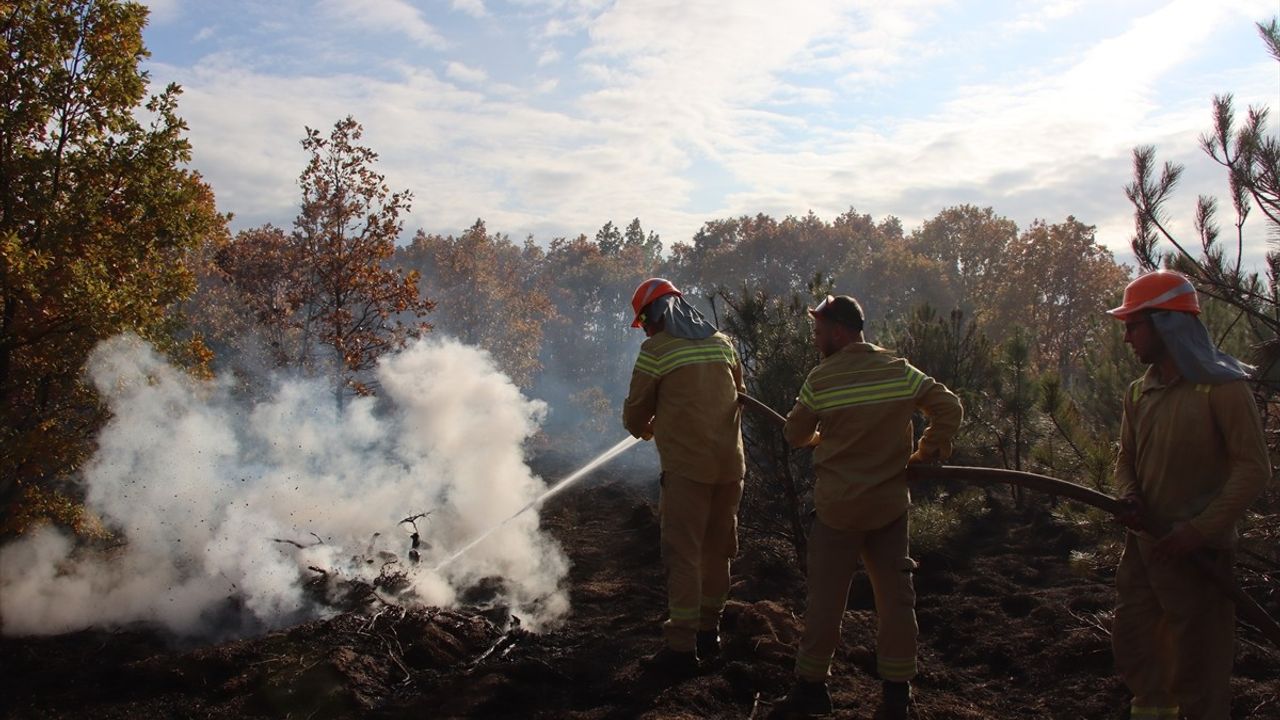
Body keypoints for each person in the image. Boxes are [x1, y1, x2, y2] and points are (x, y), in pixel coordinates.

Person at [777, 294, 963, 719]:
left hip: (837, 511)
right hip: (888, 509)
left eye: (819, 332)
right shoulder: (898, 371)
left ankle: (811, 689)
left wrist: (816, 437)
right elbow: (948, 407)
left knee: (825, 601)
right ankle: (897, 695)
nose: (815, 340)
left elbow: (794, 433)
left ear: (839, 332)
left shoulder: (821, 379)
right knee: (896, 601)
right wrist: (924, 453)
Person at [1106, 270, 1270, 720]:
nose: (1127, 338)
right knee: (1139, 651)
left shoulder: (1222, 388)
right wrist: (1130, 496)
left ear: (1166, 323)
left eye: (1133, 325)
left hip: (1199, 560)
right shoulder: (1140, 392)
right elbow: (1126, 459)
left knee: (1196, 667)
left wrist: (1199, 531)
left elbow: (1253, 468)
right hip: (1144, 551)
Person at [622, 277, 747, 677]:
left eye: (646, 321)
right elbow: (736, 394)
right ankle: (710, 633)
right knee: (718, 551)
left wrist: (647, 428)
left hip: (687, 473)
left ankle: (680, 648)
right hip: (731, 469)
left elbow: (635, 416)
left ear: (655, 315)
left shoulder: (655, 352)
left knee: (684, 554)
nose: (649, 330)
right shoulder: (723, 344)